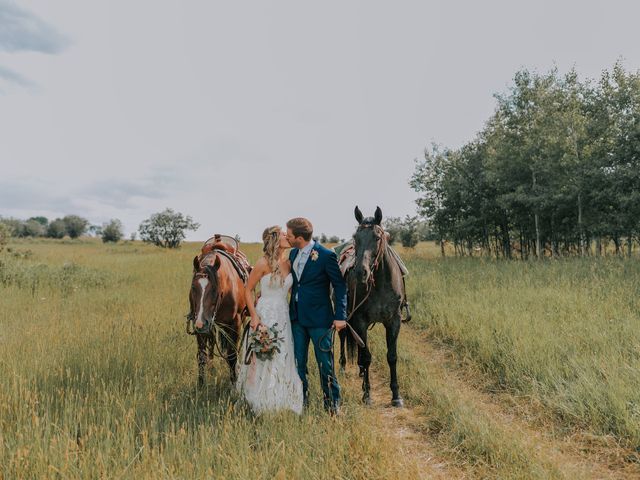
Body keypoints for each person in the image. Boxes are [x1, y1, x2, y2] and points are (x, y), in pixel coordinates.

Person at [236, 226, 303, 415]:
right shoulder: (262, 263)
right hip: (265, 312)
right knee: (264, 352)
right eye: (283, 234)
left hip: (283, 313)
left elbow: (289, 289)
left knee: (284, 352)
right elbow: (248, 290)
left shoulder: (289, 263)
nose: (287, 237)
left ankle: (283, 394)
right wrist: (255, 316)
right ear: (275, 239)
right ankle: (261, 395)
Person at [286, 217, 347, 415]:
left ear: (299, 237)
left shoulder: (326, 255)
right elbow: (296, 283)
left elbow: (339, 286)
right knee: (298, 363)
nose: (286, 237)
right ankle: (300, 402)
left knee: (325, 364)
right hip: (296, 318)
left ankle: (332, 405)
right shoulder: (293, 253)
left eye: (289, 234)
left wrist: (340, 316)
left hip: (320, 319)